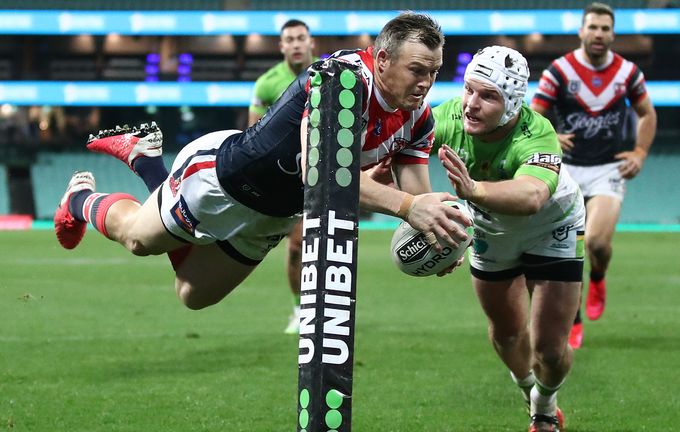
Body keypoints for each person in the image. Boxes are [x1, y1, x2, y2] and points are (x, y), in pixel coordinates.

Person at [54, 12, 470, 313]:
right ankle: (80, 198)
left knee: (193, 295)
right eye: (417, 70)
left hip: (272, 216)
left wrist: (440, 236)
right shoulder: (342, 81)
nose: (426, 83)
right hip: (221, 180)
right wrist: (408, 207)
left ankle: (147, 162)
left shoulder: (419, 118)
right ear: (381, 60)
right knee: (138, 240)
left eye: (433, 72)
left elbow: (417, 195)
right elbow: (320, 172)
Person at [435, 46, 584, 432]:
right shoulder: (448, 116)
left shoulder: (537, 132)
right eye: (469, 89)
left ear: (514, 102)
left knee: (550, 349)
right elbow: (407, 146)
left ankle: (544, 405)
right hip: (491, 229)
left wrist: (474, 191)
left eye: (488, 96)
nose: (471, 104)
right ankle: (526, 387)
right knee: (506, 332)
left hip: (553, 225)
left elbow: (532, 196)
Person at [531, 2, 657, 348]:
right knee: (567, 247)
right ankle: (572, 318)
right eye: (593, 27)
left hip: (607, 169)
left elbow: (647, 113)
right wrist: (550, 135)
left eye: (605, 28)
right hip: (566, 169)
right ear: (581, 32)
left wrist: (640, 152)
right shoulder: (559, 71)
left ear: (612, 34)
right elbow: (533, 116)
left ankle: (598, 277)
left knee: (598, 243)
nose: (599, 34)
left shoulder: (628, 73)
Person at [248, 19, 318, 334]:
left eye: (301, 37)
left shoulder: (331, 74)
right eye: (289, 39)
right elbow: (252, 135)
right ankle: (300, 310)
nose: (296, 44)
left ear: (311, 42)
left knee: (321, 246)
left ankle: (323, 311)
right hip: (284, 178)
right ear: (281, 46)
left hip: (322, 173)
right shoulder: (266, 84)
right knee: (296, 248)